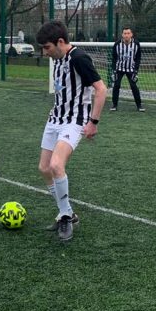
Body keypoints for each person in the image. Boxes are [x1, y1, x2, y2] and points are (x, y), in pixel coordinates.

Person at [36, 21, 107, 241]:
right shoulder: (57, 60)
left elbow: (101, 89)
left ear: (60, 42)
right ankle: (67, 212)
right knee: (44, 168)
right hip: (55, 118)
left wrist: (93, 122)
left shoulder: (78, 58)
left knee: (57, 165)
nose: (44, 52)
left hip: (74, 122)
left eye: (47, 47)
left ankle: (65, 216)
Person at [110, 27, 144, 112]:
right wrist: (114, 70)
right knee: (116, 85)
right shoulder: (117, 44)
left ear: (131, 34)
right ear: (122, 35)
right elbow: (114, 58)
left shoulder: (136, 44)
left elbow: (138, 58)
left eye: (128, 33)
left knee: (133, 86)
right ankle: (114, 105)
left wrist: (136, 71)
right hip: (119, 68)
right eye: (125, 33)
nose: (126, 35)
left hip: (131, 69)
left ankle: (139, 105)